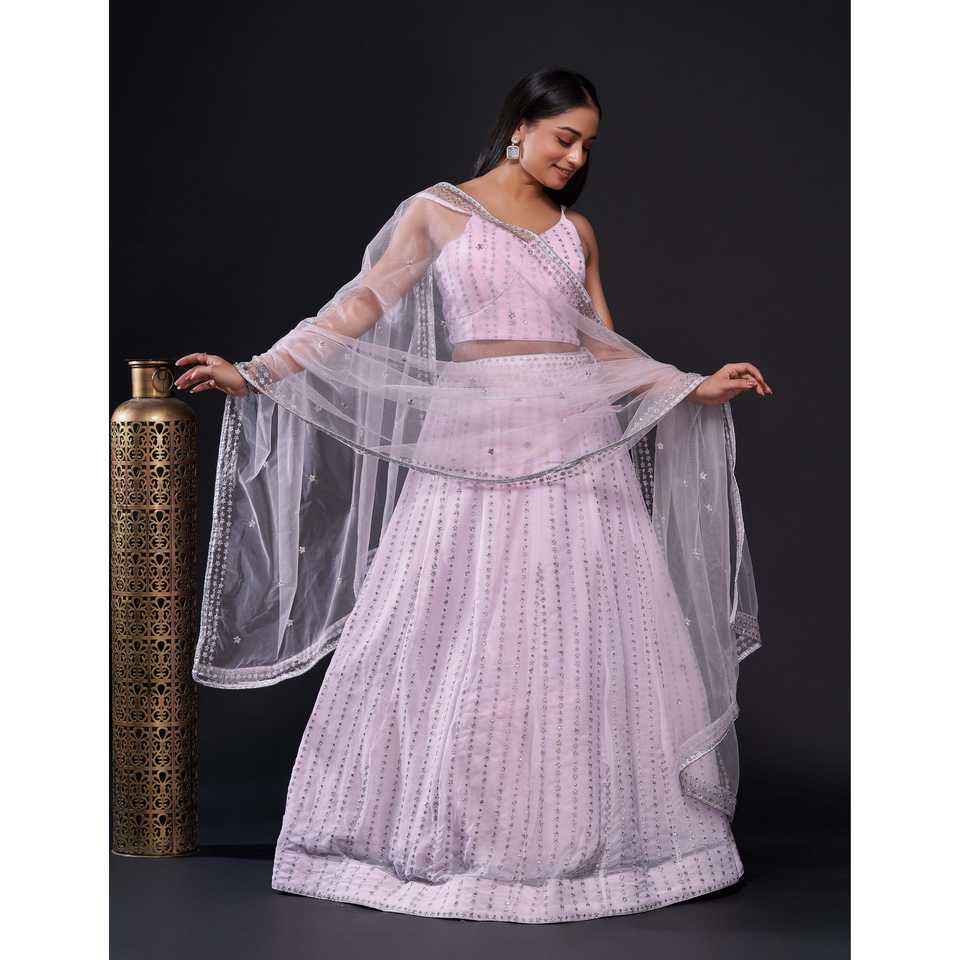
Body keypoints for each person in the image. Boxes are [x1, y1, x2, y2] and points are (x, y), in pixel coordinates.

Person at [174, 67, 770, 924]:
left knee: (579, 623)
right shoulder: (438, 210)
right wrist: (261, 370)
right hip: (476, 433)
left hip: (575, 440)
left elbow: (604, 347)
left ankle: (590, 836)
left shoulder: (575, 231)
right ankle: (447, 829)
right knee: (459, 616)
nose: (576, 158)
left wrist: (692, 384)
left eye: (588, 146)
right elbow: (360, 305)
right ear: (519, 126)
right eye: (565, 137)